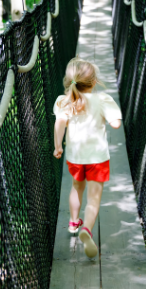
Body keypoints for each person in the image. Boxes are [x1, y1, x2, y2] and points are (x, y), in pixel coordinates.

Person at [53, 57, 122, 259]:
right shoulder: (103, 100)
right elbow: (116, 124)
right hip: (98, 158)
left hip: (75, 156)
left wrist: (58, 146)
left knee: (76, 187)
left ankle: (74, 222)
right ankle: (87, 230)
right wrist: (111, 117)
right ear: (94, 82)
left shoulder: (63, 101)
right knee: (94, 197)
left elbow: (59, 124)